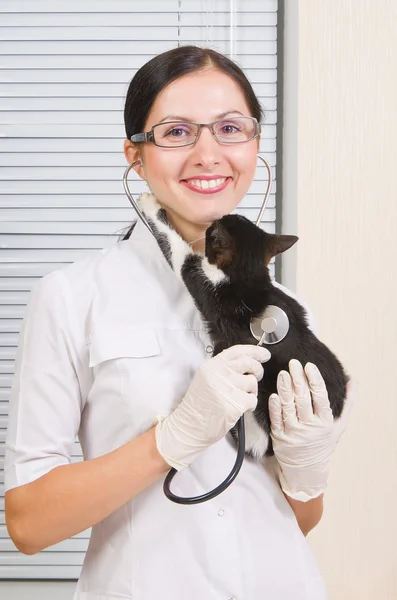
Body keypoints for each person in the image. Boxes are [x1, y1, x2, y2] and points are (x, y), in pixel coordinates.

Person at [4, 46, 353, 600]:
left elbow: (293, 519)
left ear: (255, 144)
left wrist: (306, 470)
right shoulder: (72, 297)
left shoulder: (283, 307)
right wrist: (173, 439)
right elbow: (29, 524)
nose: (208, 154)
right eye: (175, 133)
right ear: (135, 156)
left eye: (230, 128)